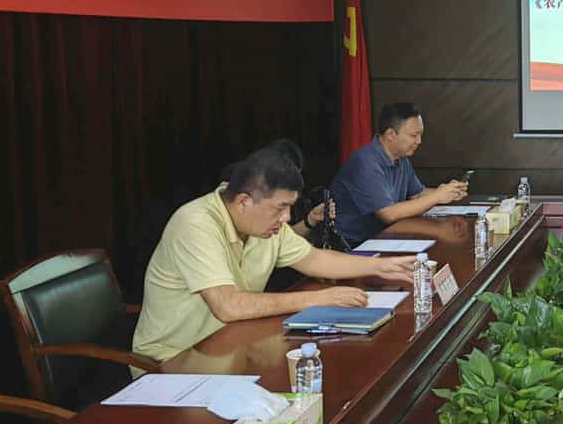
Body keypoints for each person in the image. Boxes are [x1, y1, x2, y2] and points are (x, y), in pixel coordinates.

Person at [133, 148, 416, 365]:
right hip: (174, 362)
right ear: (244, 201)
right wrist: (317, 298)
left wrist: (380, 265)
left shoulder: (265, 224)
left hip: (233, 346)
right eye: (280, 208)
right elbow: (227, 306)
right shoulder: (195, 224)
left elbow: (314, 259)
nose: (287, 217)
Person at [330, 102, 468, 245]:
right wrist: (437, 197)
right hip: (354, 244)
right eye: (414, 135)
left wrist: (448, 191)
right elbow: (388, 214)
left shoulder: (401, 158)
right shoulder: (365, 162)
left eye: (420, 135)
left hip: (385, 236)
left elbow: (417, 194)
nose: (419, 141)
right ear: (391, 135)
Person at [221, 139, 331, 240]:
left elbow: (282, 240)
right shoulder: (242, 184)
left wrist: (311, 218)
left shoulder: (285, 197)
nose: (287, 217)